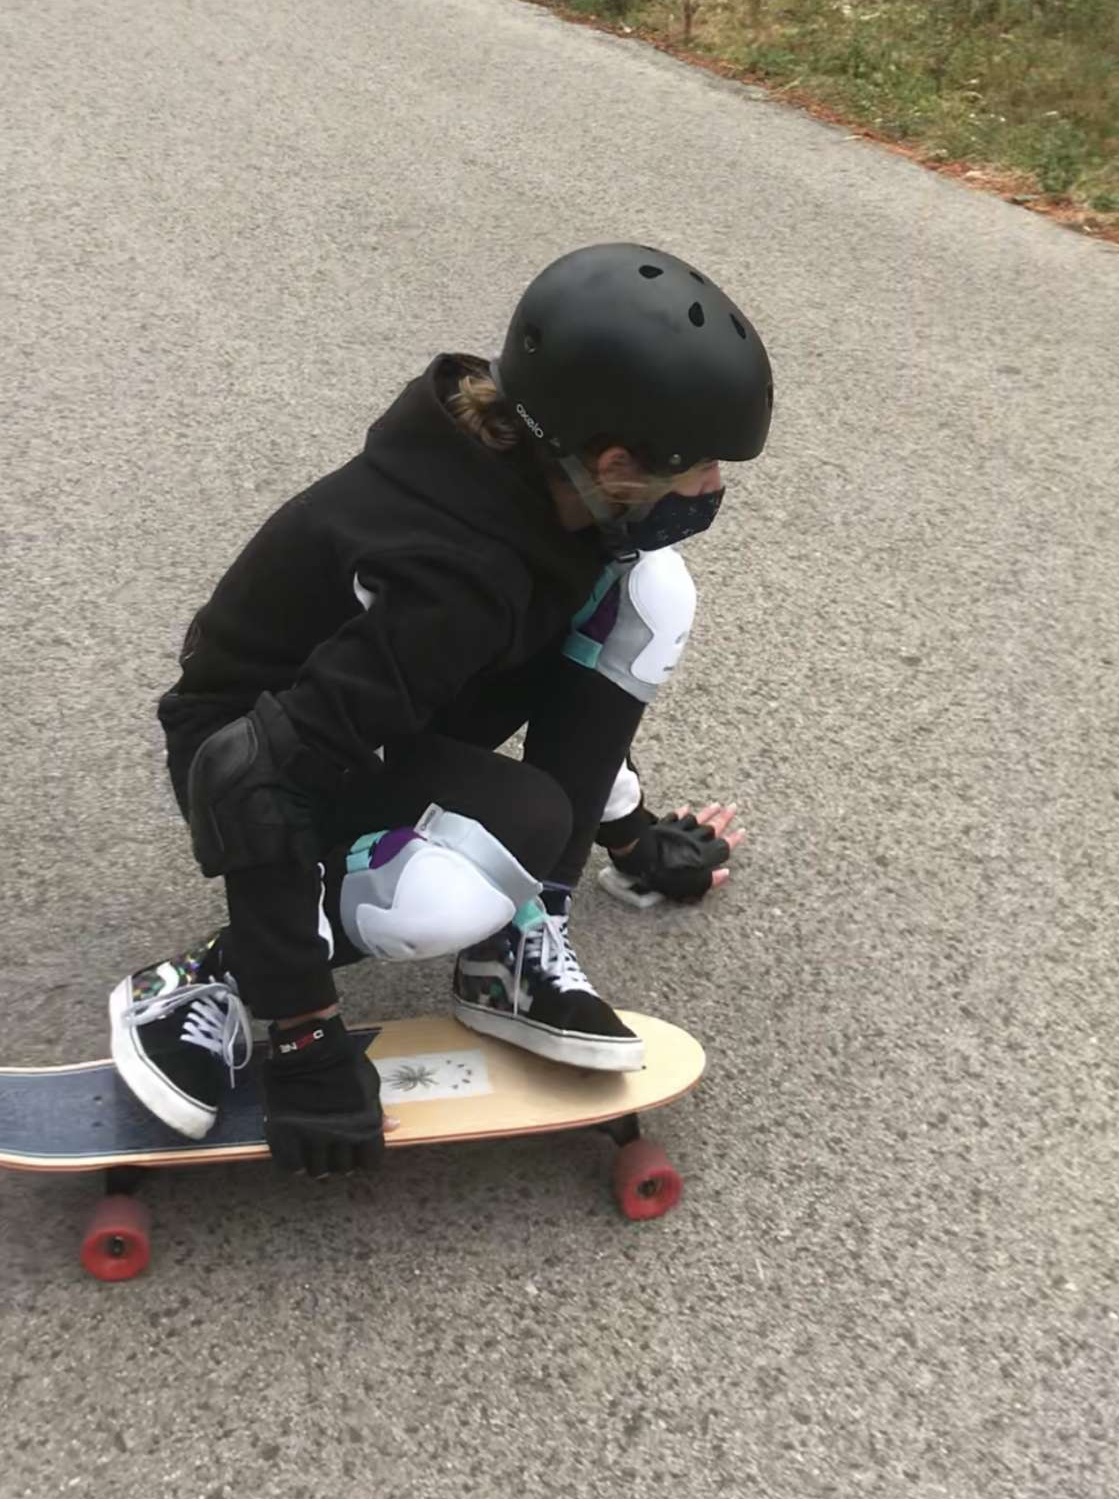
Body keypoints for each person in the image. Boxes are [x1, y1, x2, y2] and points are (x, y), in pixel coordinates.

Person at [108, 243, 774, 1179]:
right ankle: (200, 982)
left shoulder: (544, 495)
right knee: (504, 839)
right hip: (249, 743)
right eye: (703, 465)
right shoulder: (454, 576)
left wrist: (632, 837)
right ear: (615, 461)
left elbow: (556, 665)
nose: (715, 487)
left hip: (388, 712)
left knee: (652, 589)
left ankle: (512, 947)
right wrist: (301, 1035)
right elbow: (248, 773)